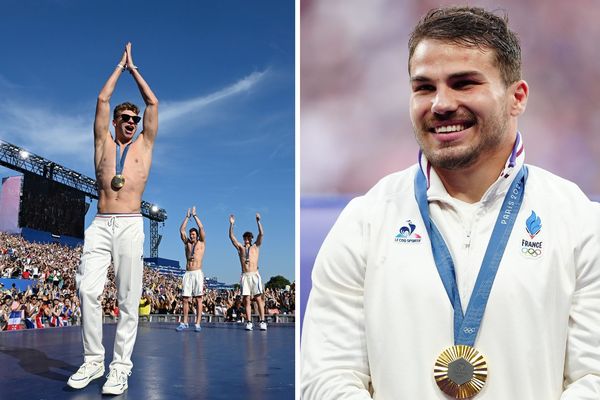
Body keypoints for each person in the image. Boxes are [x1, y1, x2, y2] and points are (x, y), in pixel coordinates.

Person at [301, 6, 600, 399]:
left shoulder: (579, 222)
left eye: (463, 83)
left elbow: (593, 378)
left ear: (517, 97)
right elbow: (326, 378)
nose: (440, 104)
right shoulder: (364, 222)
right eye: (424, 87)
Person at [67, 42, 158, 395]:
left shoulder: (145, 146)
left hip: (132, 222)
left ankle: (120, 368)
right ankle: (93, 361)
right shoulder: (103, 145)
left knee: (127, 298)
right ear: (117, 122)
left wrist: (135, 70)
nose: (133, 123)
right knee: (86, 289)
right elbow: (102, 101)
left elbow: (153, 104)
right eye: (127, 119)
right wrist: (119, 68)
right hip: (102, 222)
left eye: (135, 120)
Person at [229, 213, 267, 331]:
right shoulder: (240, 248)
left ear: (251, 238)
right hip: (245, 275)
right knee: (246, 299)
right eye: (245, 238)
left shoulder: (255, 246)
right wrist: (232, 225)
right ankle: (249, 321)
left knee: (258, 298)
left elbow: (261, 234)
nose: (246, 239)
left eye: (248, 238)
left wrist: (258, 222)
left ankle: (262, 321)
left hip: (254, 274)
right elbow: (231, 237)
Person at [176, 206, 206, 332]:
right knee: (185, 298)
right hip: (188, 272)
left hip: (197, 272)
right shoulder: (187, 243)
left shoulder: (201, 243)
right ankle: (184, 322)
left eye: (193, 234)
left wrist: (195, 215)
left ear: (197, 235)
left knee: (198, 298)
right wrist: (187, 217)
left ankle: (197, 323)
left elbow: (201, 228)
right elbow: (181, 229)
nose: (192, 236)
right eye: (191, 234)